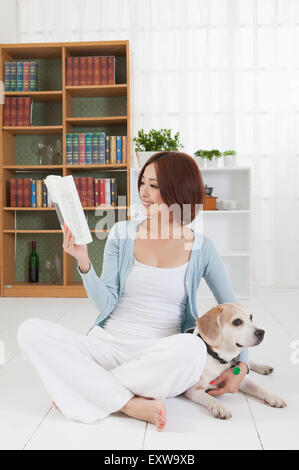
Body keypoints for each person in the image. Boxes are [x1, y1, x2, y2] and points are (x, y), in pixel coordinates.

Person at [17, 151, 249, 432]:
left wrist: (242, 368)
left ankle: (87, 388)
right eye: (143, 183)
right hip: (107, 345)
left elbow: (232, 307)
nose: (144, 192)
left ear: (180, 189)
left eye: (154, 185)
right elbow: (105, 304)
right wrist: (84, 260)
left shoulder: (203, 247)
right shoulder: (121, 233)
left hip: (161, 353)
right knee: (30, 331)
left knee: (193, 350)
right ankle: (128, 404)